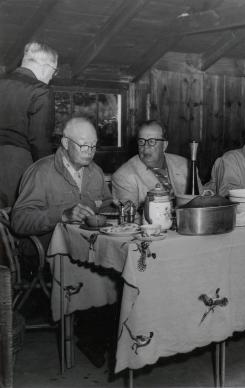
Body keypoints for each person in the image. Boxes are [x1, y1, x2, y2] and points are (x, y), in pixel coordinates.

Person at [11, 116, 114, 368]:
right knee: (99, 271)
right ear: (65, 143)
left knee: (124, 264)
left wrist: (111, 207)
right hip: (47, 250)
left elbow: (108, 203)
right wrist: (62, 214)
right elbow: (19, 220)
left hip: (90, 246)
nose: (90, 152)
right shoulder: (41, 171)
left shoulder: (95, 172)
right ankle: (94, 337)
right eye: (83, 146)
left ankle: (106, 334)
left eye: (93, 146)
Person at [0, 41, 58, 207]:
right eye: (54, 71)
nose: (51, 76)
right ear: (45, 67)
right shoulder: (40, 91)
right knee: (20, 221)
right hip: (16, 166)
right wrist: (47, 176)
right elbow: (40, 142)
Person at [112, 120, 202, 208]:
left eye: (152, 142)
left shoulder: (186, 166)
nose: (145, 147)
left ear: (164, 145)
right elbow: (131, 218)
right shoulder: (123, 176)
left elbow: (201, 203)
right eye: (141, 141)